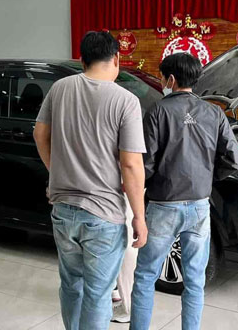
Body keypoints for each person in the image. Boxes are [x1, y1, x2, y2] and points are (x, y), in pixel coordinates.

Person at [33, 30, 147, 330]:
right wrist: (139, 216)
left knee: (71, 285)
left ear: (82, 60)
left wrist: (56, 173)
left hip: (63, 209)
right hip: (103, 215)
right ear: (117, 59)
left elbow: (40, 134)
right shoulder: (126, 100)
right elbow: (131, 164)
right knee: (98, 294)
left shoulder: (59, 88)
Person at [131, 52, 238, 330]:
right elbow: (233, 159)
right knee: (195, 281)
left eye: (161, 77)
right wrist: (207, 177)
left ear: (170, 79)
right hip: (200, 206)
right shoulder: (214, 112)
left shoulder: (157, 111)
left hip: (163, 205)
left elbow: (145, 164)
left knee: (145, 276)